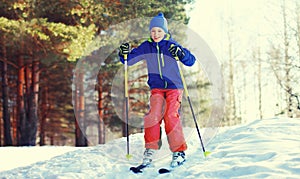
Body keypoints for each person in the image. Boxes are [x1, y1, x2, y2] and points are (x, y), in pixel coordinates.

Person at [119, 12, 196, 168]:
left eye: (159, 31)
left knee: (170, 116)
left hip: (174, 87)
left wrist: (180, 53)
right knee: (152, 116)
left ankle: (179, 151)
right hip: (156, 88)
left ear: (165, 31)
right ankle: (150, 149)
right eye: (153, 31)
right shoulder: (146, 46)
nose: (156, 34)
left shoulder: (171, 45)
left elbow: (190, 61)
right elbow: (130, 60)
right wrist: (124, 54)